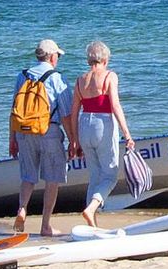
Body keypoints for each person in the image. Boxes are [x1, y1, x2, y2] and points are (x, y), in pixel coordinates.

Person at [7, 39, 75, 237]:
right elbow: (65, 114)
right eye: (58, 56)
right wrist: (73, 140)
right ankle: (45, 225)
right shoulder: (56, 78)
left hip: (24, 132)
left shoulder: (22, 76)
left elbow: (14, 111)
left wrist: (12, 139)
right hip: (48, 131)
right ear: (52, 57)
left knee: (28, 176)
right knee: (52, 179)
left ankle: (22, 208)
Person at [66, 39, 134, 228]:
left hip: (84, 124)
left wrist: (74, 140)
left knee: (94, 176)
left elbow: (73, 112)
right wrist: (127, 133)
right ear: (105, 59)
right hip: (103, 124)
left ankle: (92, 226)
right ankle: (92, 208)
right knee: (110, 175)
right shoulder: (109, 76)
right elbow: (115, 105)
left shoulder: (80, 80)